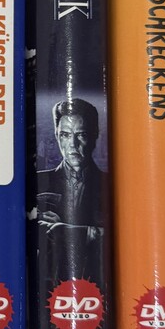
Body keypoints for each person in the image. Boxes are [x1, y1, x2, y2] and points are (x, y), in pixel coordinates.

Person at [37, 97, 106, 238]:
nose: (73, 144)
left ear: (95, 135)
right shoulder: (35, 181)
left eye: (81, 135)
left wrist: (64, 230)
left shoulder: (113, 185)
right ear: (57, 136)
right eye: (65, 135)